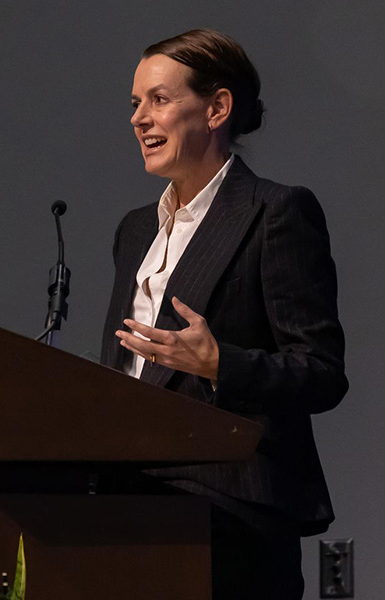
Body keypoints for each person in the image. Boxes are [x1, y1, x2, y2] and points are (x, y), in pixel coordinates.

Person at [101, 29, 348, 599]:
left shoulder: (276, 213)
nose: (139, 118)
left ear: (216, 108)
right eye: (135, 103)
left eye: (159, 100)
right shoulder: (135, 229)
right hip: (122, 504)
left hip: (230, 511)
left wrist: (221, 364)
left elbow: (322, 372)